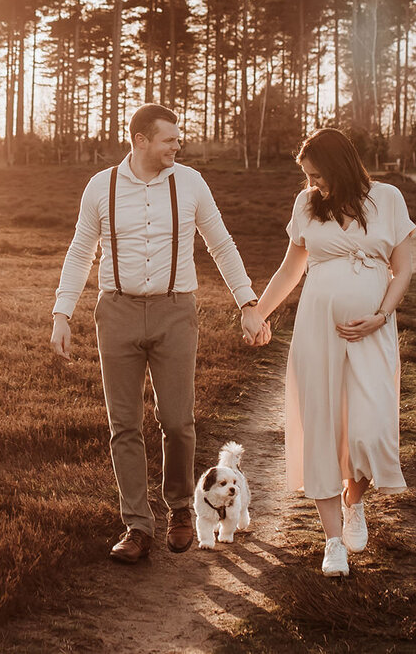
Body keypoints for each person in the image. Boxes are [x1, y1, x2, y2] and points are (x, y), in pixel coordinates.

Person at [51, 104, 266, 564]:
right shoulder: (100, 187)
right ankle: (136, 527)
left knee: (177, 421)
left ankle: (183, 510)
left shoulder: (190, 182)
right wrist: (61, 314)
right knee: (123, 425)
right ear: (141, 139)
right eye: (169, 139)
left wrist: (248, 303)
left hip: (175, 311)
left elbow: (220, 242)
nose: (177, 145)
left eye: (177, 139)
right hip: (117, 311)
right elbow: (79, 250)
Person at [249, 128, 415, 577]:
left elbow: (403, 269)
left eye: (318, 175)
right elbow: (290, 268)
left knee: (370, 428)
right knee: (322, 424)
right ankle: (332, 542)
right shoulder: (306, 205)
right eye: (307, 177)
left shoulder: (389, 198)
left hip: (372, 331)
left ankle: (354, 501)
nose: (313, 184)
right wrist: (257, 312)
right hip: (317, 329)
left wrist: (381, 314)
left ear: (341, 166)